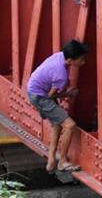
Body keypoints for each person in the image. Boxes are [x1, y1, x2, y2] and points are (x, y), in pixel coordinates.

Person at [27, 38, 88, 173]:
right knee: (70, 125)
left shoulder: (59, 56)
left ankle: (51, 160)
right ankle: (62, 162)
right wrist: (68, 94)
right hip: (40, 96)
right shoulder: (61, 75)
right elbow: (50, 96)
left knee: (57, 123)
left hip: (34, 89)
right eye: (81, 59)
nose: (83, 62)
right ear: (70, 60)